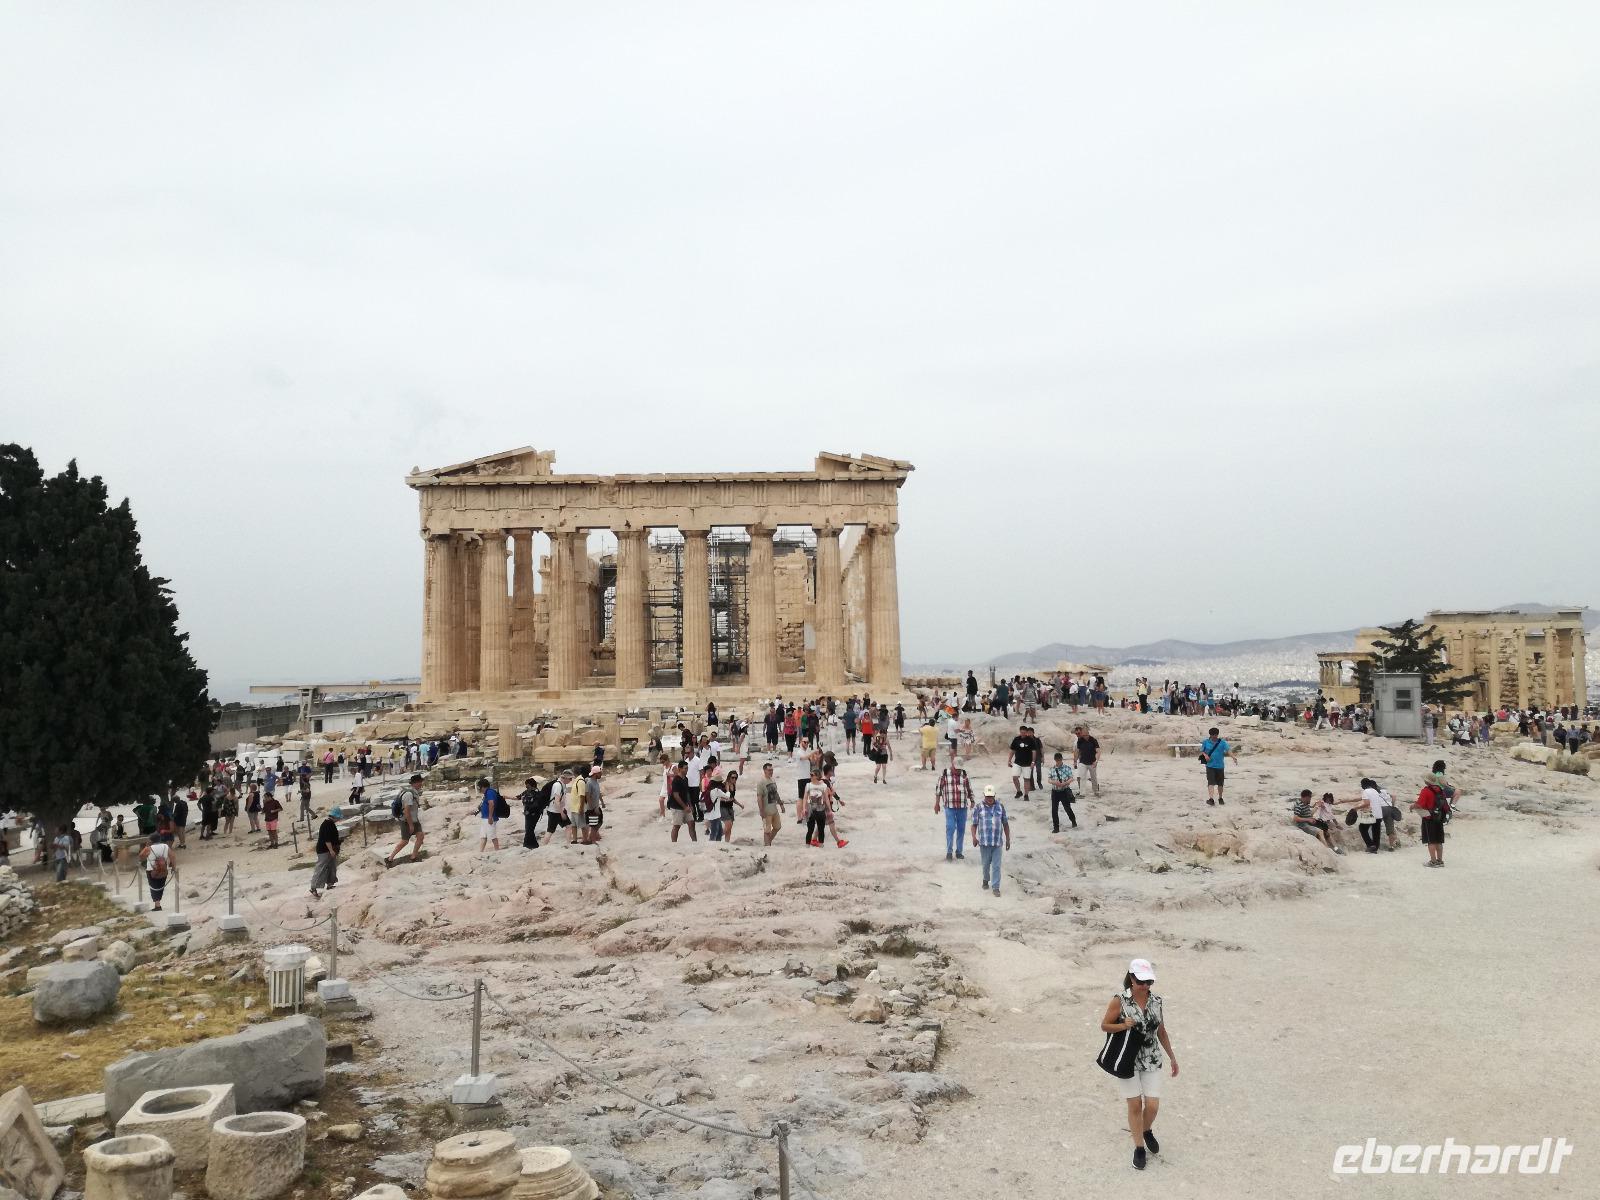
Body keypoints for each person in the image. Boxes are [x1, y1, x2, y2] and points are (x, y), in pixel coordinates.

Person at [1100, 958, 1177, 1171]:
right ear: (1131, 979)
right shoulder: (1119, 1001)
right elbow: (1104, 1026)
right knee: (1135, 1105)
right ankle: (1139, 1148)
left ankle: (1145, 1129)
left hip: (1151, 1057)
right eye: (1141, 981)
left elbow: (1161, 1031)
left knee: (1152, 1106)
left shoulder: (1157, 1001)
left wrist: (1172, 1057)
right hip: (1127, 1059)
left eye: (1149, 982)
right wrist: (1122, 1025)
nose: (1145, 986)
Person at [971, 785, 1010, 896]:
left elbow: (1005, 824)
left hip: (997, 843)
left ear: (994, 795)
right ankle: (985, 879)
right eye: (987, 796)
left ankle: (996, 887)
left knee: (996, 866)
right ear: (984, 795)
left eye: (991, 796)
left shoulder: (1000, 807)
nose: (989, 798)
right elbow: (974, 824)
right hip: (984, 843)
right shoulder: (978, 807)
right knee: (985, 864)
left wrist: (1008, 839)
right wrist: (974, 837)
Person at [934, 758, 973, 860]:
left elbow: (969, 789)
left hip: (962, 807)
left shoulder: (964, 775)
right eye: (957, 769)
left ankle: (959, 851)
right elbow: (938, 790)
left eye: (960, 769)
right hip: (949, 807)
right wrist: (937, 804)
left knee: (961, 829)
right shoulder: (944, 774)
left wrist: (972, 801)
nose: (958, 771)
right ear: (952, 765)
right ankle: (949, 852)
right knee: (950, 828)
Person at [385, 773, 426, 867]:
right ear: (415, 783)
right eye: (420, 782)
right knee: (405, 841)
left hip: (414, 819)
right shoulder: (408, 794)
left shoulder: (414, 792)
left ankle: (413, 857)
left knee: (420, 836)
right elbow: (406, 811)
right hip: (406, 821)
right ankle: (390, 859)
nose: (421, 784)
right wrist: (411, 825)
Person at [1412, 777, 1449, 867]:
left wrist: (1412, 806)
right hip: (1439, 817)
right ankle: (1440, 861)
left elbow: (1420, 804)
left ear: (1426, 781)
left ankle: (1433, 861)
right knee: (1439, 840)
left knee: (1431, 841)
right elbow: (1445, 805)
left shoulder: (1426, 790)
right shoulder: (1440, 790)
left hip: (1429, 817)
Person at [1199, 727, 1236, 806]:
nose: (1214, 737)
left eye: (1216, 735)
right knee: (1210, 782)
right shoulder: (1206, 742)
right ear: (1210, 735)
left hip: (1220, 766)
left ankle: (1220, 798)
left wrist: (1233, 757)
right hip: (1210, 765)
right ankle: (1211, 799)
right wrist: (1205, 755)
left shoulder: (1222, 743)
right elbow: (1202, 751)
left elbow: (1228, 750)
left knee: (1220, 784)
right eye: (1213, 735)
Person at [310, 809, 342, 898]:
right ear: (334, 816)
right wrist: (331, 850)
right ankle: (313, 887)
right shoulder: (327, 824)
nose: (339, 819)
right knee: (321, 868)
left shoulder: (330, 823)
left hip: (330, 849)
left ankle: (330, 884)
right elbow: (327, 839)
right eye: (338, 817)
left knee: (332, 866)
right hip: (324, 850)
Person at [667, 760, 697, 843]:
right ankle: (674, 843)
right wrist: (685, 807)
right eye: (685, 768)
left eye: (687, 768)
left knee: (691, 823)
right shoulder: (676, 780)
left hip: (685, 806)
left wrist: (690, 805)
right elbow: (676, 795)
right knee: (677, 826)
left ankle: (695, 842)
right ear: (680, 769)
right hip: (676, 806)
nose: (687, 770)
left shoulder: (685, 779)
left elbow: (687, 793)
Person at [1354, 777, 1387, 853]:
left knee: (1362, 828)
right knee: (1376, 832)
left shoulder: (1366, 791)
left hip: (1371, 814)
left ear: (1364, 784)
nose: (1361, 786)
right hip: (1379, 814)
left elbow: (1366, 803)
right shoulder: (1375, 791)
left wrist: (1356, 808)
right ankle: (1375, 848)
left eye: (1361, 784)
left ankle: (1370, 845)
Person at [140, 837, 173, 911]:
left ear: (151, 840)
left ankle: (157, 905)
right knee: (161, 885)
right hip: (163, 868)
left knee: (153, 886)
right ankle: (158, 903)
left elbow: (141, 856)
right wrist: (173, 867)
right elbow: (172, 856)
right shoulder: (165, 846)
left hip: (151, 869)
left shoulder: (149, 848)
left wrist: (146, 847)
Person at [756, 761, 785, 845]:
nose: (771, 772)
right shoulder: (761, 782)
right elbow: (759, 797)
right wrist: (761, 810)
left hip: (774, 809)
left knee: (777, 827)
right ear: (764, 770)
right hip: (766, 811)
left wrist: (781, 804)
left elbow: (776, 793)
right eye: (769, 770)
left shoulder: (772, 780)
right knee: (767, 830)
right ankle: (767, 845)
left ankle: (768, 842)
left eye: (772, 770)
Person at [1048, 752, 1077, 831]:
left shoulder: (1067, 768)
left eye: (1059, 760)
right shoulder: (1052, 769)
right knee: (1054, 810)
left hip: (1064, 791)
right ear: (1055, 760)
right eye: (1057, 760)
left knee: (1067, 808)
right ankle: (1056, 827)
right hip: (1055, 791)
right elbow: (1049, 780)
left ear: (1061, 759)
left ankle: (1073, 821)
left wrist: (1065, 783)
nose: (1058, 762)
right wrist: (1055, 782)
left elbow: (1071, 778)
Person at [1008, 727, 1037, 800]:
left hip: (1027, 763)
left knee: (1026, 779)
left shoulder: (1030, 740)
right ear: (1020, 732)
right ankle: (1019, 791)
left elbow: (1034, 751)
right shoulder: (1016, 739)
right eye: (1021, 732)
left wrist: (1033, 762)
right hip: (1017, 762)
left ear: (1026, 732)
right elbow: (1012, 750)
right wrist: (1009, 760)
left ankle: (1026, 795)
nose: (1023, 734)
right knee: (1014, 777)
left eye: (1024, 732)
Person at [1073, 726, 1102, 797]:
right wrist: (1075, 761)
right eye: (1083, 735)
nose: (1083, 737)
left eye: (1085, 735)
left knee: (1093, 778)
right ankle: (1082, 793)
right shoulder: (1080, 740)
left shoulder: (1093, 740)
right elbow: (1077, 751)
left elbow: (1098, 751)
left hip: (1092, 762)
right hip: (1082, 762)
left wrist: (1096, 761)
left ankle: (1096, 791)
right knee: (1082, 777)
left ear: (1088, 734)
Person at [477, 777, 504, 851]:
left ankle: (497, 850)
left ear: (483, 787)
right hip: (485, 817)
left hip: (489, 818)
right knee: (483, 835)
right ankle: (481, 851)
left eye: (479, 787)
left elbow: (491, 804)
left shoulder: (490, 792)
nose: (479, 789)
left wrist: (490, 817)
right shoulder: (486, 793)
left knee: (492, 835)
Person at [518, 777, 544, 849]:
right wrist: (506, 797)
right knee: (528, 829)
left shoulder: (537, 793)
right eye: (526, 786)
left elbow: (536, 805)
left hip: (534, 814)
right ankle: (533, 845)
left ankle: (528, 845)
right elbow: (519, 797)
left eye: (527, 786)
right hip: (527, 814)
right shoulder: (526, 792)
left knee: (529, 829)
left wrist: (528, 810)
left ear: (532, 785)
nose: (526, 787)